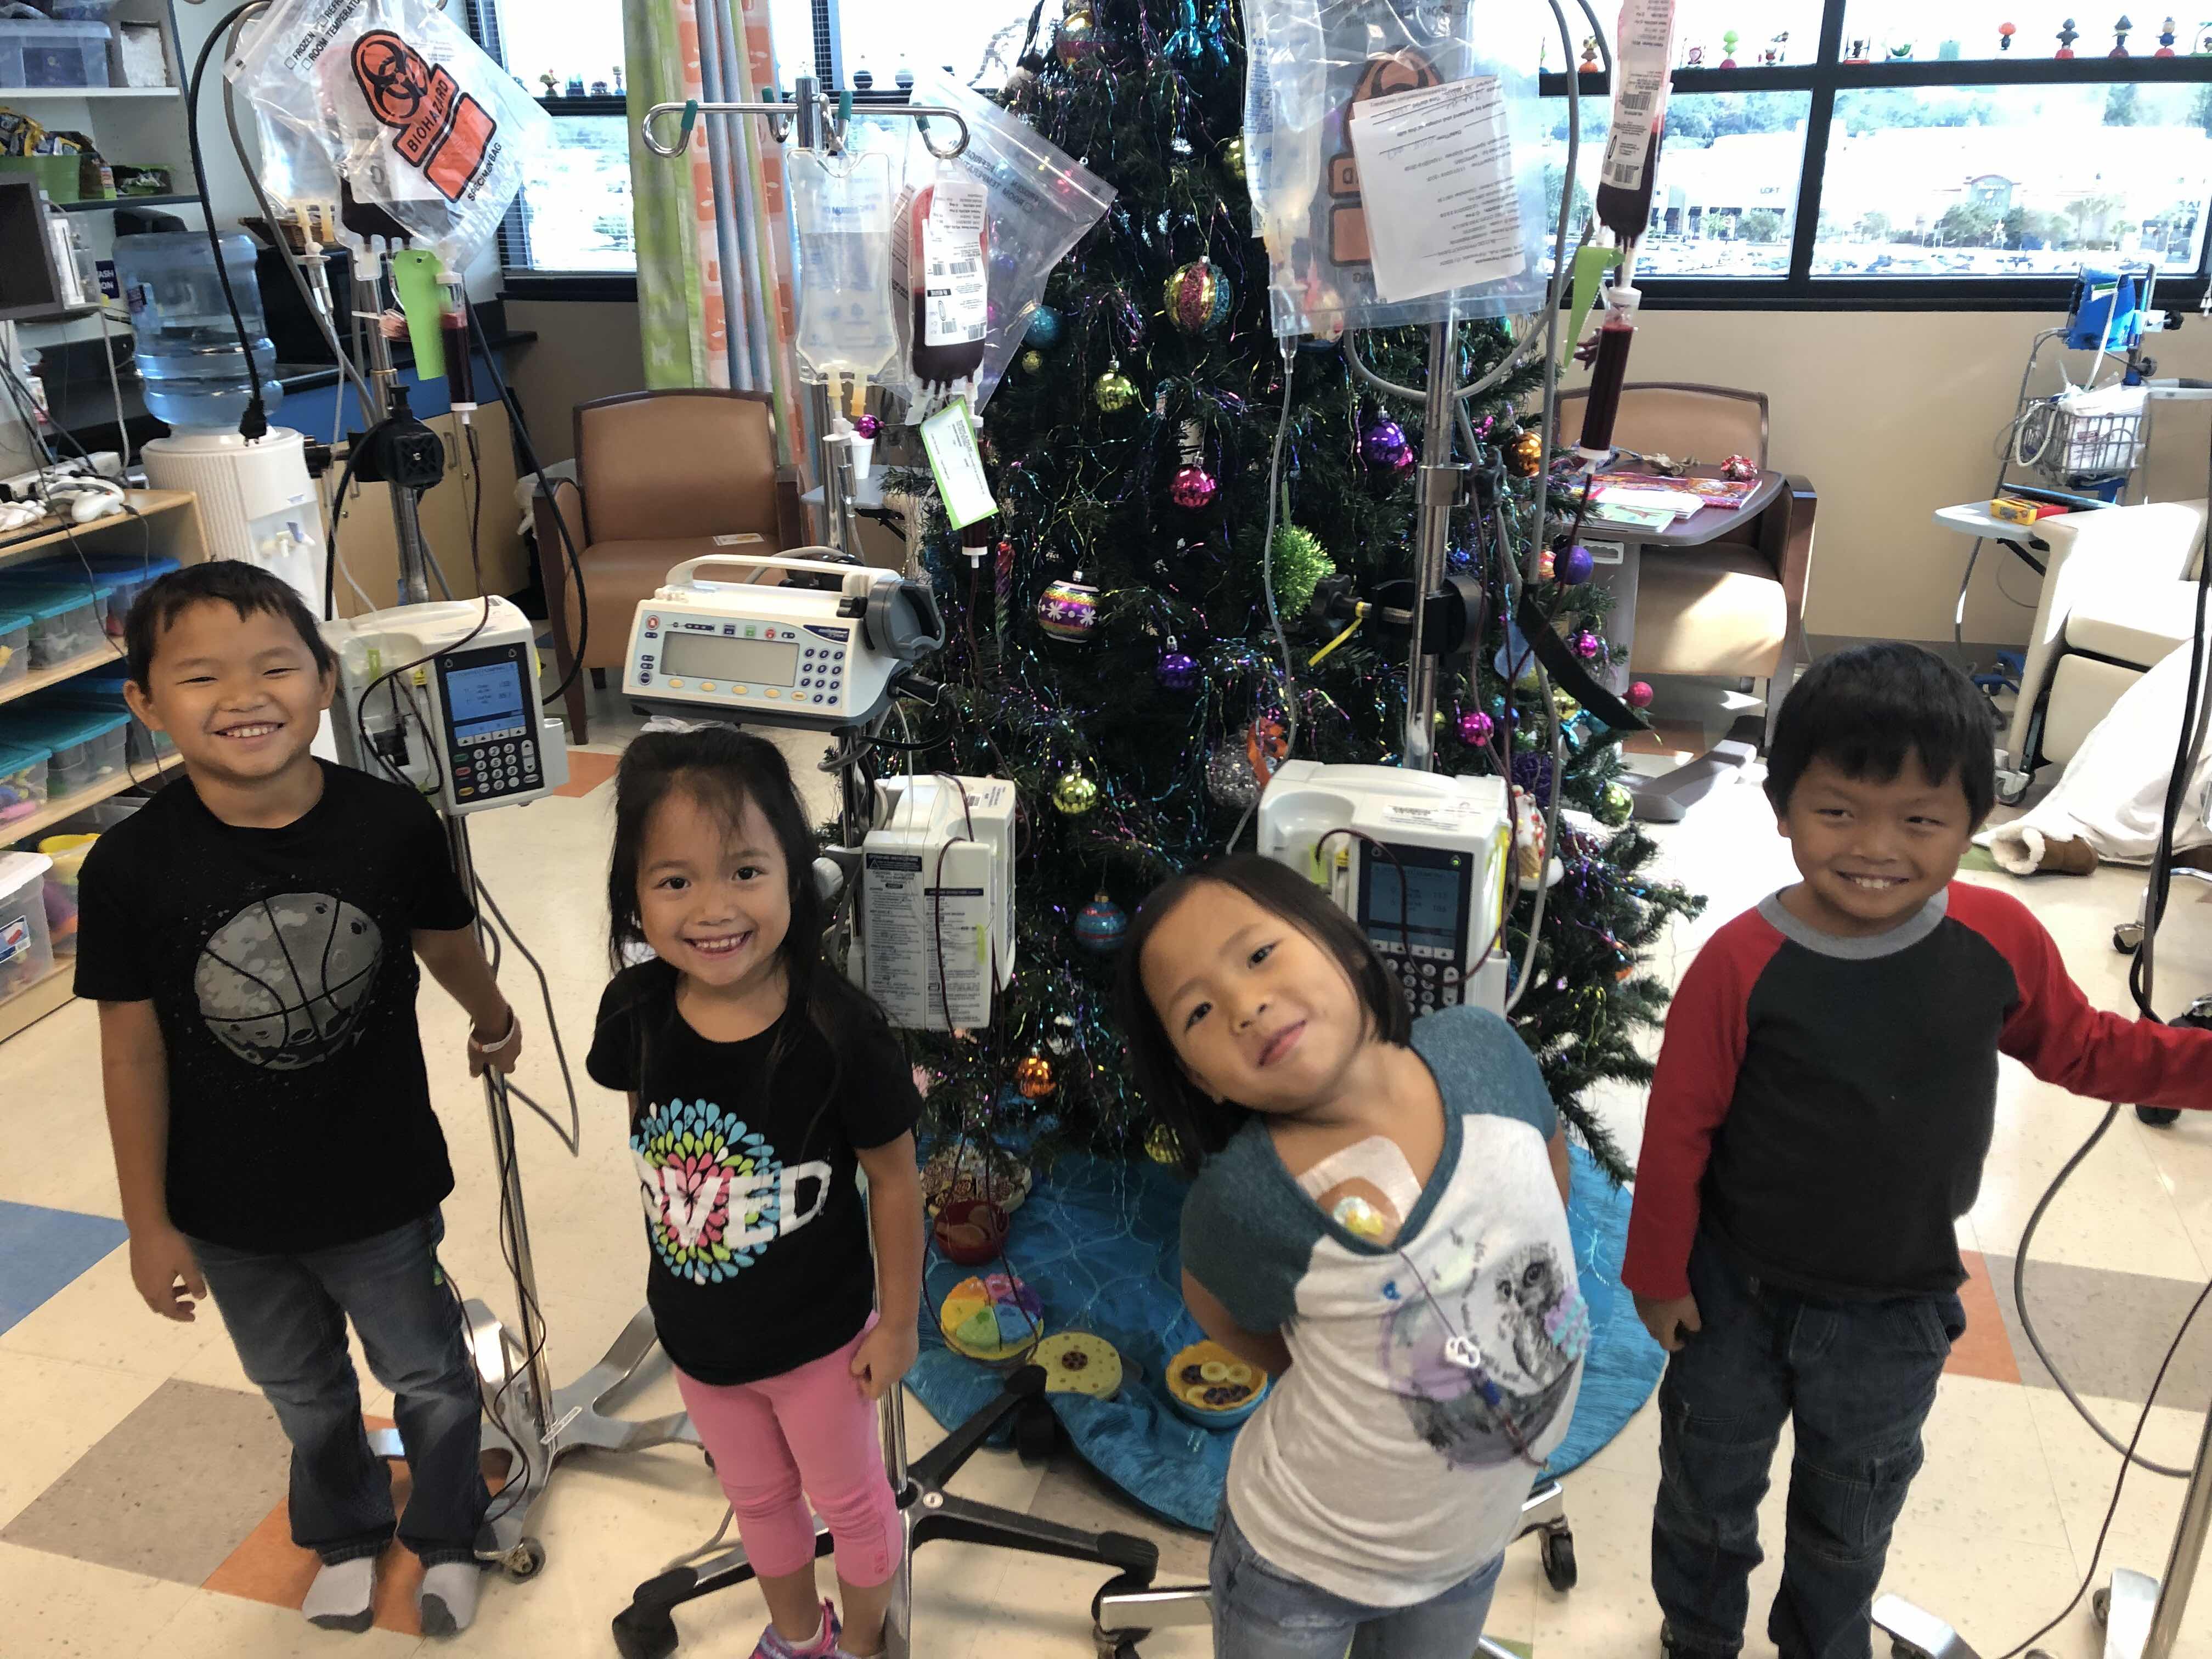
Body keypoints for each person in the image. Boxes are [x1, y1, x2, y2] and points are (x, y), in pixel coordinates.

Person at [1624, 642, 2212, 1659]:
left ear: (1974, 821)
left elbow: (2085, 1048)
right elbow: (1678, 1129)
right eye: (1838, 811)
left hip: (1894, 1311)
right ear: (1782, 808)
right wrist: (1658, 1276)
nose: (1875, 848)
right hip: (1734, 1296)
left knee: (1850, 1518)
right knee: (1705, 1495)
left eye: (1920, 821)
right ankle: (1698, 1636)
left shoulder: (1997, 937)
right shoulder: (1740, 962)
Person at [77, 560, 522, 1635]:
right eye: (201, 677)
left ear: (326, 680)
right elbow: (130, 1056)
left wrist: (493, 1015)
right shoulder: (128, 868)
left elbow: (444, 940)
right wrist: (148, 1224)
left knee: (430, 1374)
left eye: (275, 666)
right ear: (145, 703)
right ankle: (348, 1532)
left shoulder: (391, 824)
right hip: (226, 1211)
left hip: (381, 1184)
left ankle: (449, 1532)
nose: (244, 696)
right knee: (303, 1390)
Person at [1119, 854, 1587, 1659]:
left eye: (1259, 954)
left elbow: (1548, 1171)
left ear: (1346, 947)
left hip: (1471, 1545)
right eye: (1198, 1011)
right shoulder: (1242, 1203)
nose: (1245, 1006)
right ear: (1201, 1080)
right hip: (1302, 1565)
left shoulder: (1483, 1050)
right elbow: (1225, 1314)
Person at [586, 726, 923, 1659]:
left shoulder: (841, 1033)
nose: (713, 909)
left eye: (745, 871)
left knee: (851, 1503)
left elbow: (896, 1180)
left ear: (794, 877)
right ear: (633, 894)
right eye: (675, 881)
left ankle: (863, 1645)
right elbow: (650, 1134)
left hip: (823, 1347)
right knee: (758, 1501)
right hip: (699, 1340)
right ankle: (798, 1640)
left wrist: (899, 1325)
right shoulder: (634, 1013)